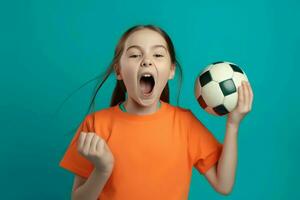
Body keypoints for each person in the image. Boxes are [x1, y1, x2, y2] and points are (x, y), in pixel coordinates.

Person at [59, 24, 254, 200]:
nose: (146, 61)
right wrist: (102, 169)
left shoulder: (185, 123)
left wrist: (232, 125)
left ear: (171, 71)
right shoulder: (95, 125)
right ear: (118, 71)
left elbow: (224, 184)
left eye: (158, 55)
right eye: (135, 55)